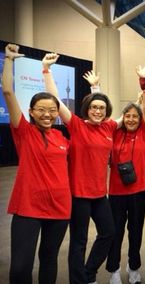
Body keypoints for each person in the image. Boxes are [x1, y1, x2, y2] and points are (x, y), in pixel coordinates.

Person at [43, 55, 120, 284]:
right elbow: (55, 99)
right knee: (79, 241)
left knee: (108, 233)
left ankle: (89, 272)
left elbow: (132, 114)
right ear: (87, 108)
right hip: (78, 195)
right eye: (94, 107)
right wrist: (46, 70)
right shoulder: (76, 125)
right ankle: (79, 280)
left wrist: (97, 87)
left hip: (99, 195)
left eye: (102, 108)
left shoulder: (108, 126)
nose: (97, 111)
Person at [2, 44, 71, 284]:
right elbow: (9, 93)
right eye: (41, 110)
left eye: (52, 110)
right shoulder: (24, 132)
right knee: (21, 267)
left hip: (60, 208)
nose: (47, 114)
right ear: (31, 112)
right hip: (28, 207)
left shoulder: (62, 137)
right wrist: (9, 60)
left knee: (49, 259)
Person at [106, 66, 145, 284]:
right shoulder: (114, 133)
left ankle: (133, 267)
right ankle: (114, 269)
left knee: (136, 232)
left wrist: (144, 83)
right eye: (128, 116)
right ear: (122, 117)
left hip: (139, 191)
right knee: (115, 232)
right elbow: (100, 121)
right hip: (116, 192)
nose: (132, 119)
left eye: (135, 116)